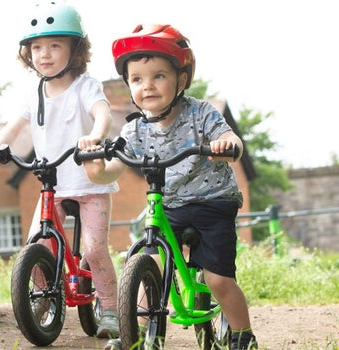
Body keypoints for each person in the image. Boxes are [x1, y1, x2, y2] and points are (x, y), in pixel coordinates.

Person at [82, 24, 258, 350]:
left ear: (182, 79)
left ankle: (243, 335)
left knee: (218, 279)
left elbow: (229, 137)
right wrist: (95, 167)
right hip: (170, 204)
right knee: (149, 263)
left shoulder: (200, 113)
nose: (147, 86)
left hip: (212, 202)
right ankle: (136, 335)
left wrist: (225, 144)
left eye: (159, 76)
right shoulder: (134, 131)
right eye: (137, 79)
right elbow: (110, 172)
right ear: (128, 84)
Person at [0, 1, 120, 339]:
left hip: (88, 183)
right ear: (28, 54)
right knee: (36, 245)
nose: (45, 54)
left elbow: (102, 114)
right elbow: (12, 128)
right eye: (37, 47)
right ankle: (43, 300)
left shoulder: (85, 86)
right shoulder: (33, 93)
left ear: (75, 49)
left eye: (55, 45)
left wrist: (95, 138)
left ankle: (110, 308)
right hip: (51, 184)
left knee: (95, 249)